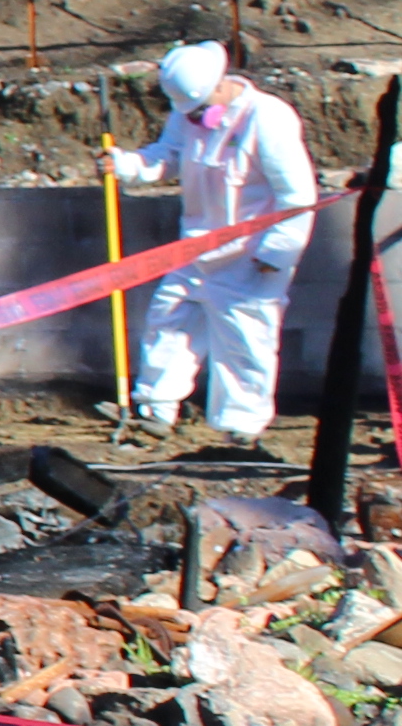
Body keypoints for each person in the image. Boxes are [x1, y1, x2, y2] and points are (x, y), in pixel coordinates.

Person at [104, 39, 319, 439]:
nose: (195, 118)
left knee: (244, 341)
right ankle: (155, 409)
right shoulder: (189, 114)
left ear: (221, 84)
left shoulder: (268, 118)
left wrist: (277, 252)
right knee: (169, 322)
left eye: (200, 108)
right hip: (196, 248)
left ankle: (241, 427)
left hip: (250, 257)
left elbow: (297, 195)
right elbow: (167, 155)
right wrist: (127, 165)